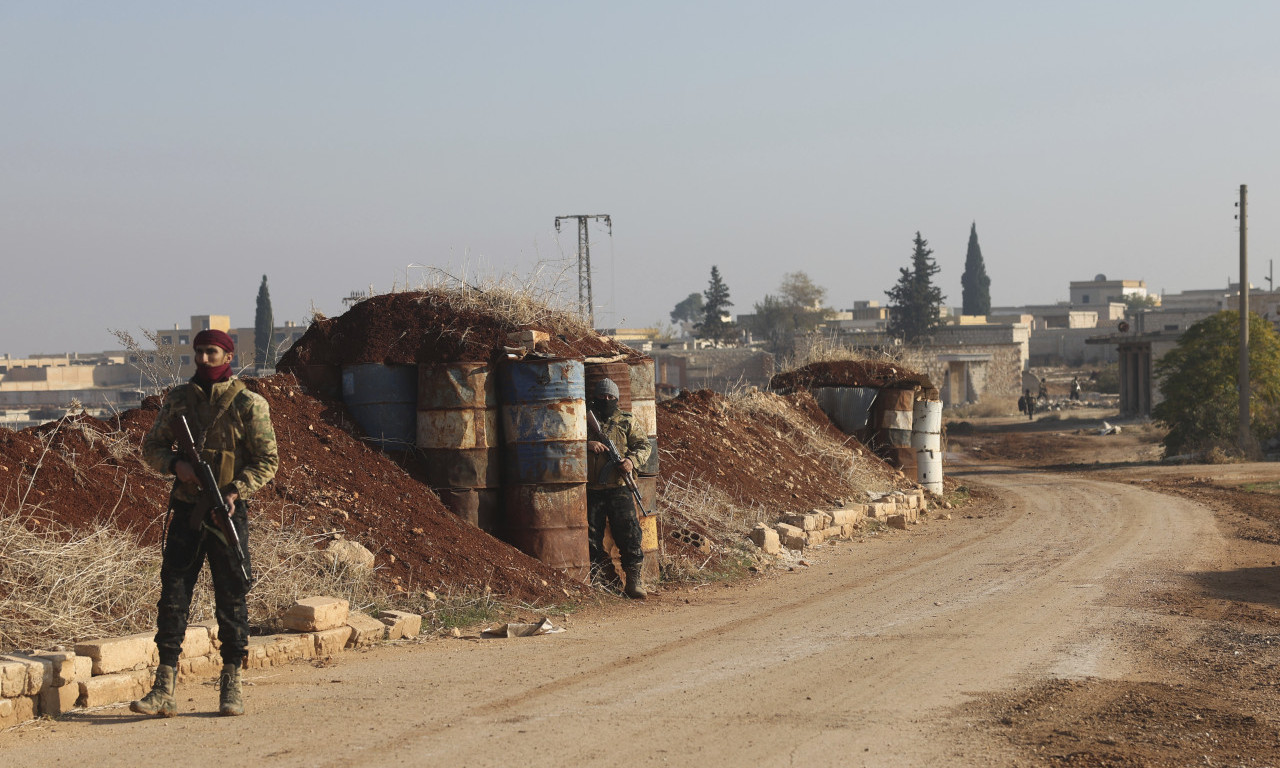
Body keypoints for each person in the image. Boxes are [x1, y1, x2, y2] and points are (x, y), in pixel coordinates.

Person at [132, 329, 278, 718]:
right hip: (186, 512)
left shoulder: (249, 404)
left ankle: (231, 683)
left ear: (227, 355)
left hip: (227, 511)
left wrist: (235, 491)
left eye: (211, 352)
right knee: (174, 596)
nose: (203, 359)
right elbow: (151, 447)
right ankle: (164, 686)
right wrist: (176, 466)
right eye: (198, 352)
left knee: (231, 596)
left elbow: (267, 461)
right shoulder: (179, 400)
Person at [585, 378, 652, 600]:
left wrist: (631, 461)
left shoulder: (626, 420)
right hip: (591, 489)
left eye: (610, 397)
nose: (606, 400)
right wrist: (587, 445)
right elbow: (565, 442)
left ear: (616, 399)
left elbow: (644, 446)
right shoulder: (583, 419)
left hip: (619, 487)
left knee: (630, 534)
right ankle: (598, 580)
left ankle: (634, 581)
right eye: (602, 396)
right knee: (590, 537)